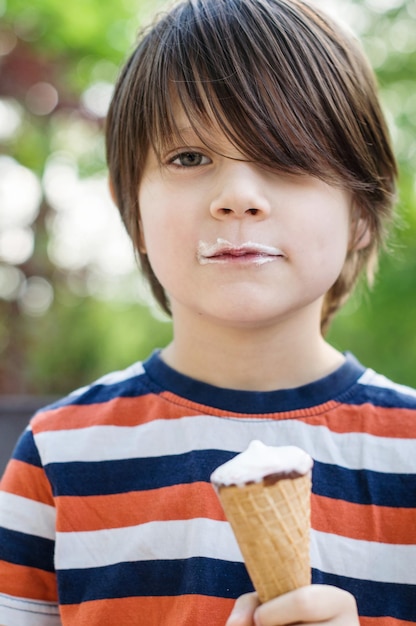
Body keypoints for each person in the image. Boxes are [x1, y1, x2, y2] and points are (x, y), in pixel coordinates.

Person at [0, 0, 415, 624]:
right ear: (131, 207)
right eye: (189, 158)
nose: (239, 197)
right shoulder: (58, 456)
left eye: (287, 157)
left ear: (362, 210)